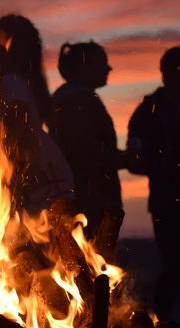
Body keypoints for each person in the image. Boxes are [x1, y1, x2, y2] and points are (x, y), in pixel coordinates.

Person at [0, 14, 74, 217]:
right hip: (42, 178)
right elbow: (23, 134)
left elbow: (21, 136)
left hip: (37, 180)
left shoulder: (10, 84)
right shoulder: (17, 84)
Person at [49, 41, 125, 259]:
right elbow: (86, 155)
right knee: (95, 265)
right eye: (102, 63)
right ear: (85, 67)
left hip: (78, 199)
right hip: (90, 202)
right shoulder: (81, 103)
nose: (108, 68)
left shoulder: (66, 101)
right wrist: (126, 158)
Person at [127, 46, 180, 328]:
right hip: (165, 202)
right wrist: (160, 164)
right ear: (165, 74)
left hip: (164, 200)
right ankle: (158, 327)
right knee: (174, 266)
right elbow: (135, 157)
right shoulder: (150, 110)